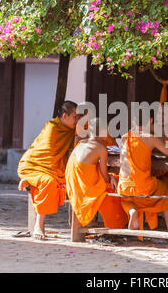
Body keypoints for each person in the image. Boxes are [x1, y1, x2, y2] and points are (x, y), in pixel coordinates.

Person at [17, 101, 79, 240]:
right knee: (49, 182)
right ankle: (39, 225)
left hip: (52, 168)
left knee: (72, 181)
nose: (77, 120)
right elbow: (47, 155)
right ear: (64, 115)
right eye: (75, 116)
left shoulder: (72, 129)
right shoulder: (52, 128)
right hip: (33, 165)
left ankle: (29, 181)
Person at [118, 112, 168, 234]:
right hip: (142, 187)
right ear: (151, 121)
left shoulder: (125, 137)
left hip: (125, 185)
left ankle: (132, 212)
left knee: (125, 199)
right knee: (163, 191)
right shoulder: (149, 137)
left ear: (133, 122)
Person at [65, 118, 128, 229]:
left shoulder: (81, 142)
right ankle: (116, 225)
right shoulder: (100, 148)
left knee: (114, 181)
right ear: (103, 131)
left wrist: (111, 177)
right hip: (86, 187)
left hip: (75, 184)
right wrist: (112, 178)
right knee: (116, 187)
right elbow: (104, 175)